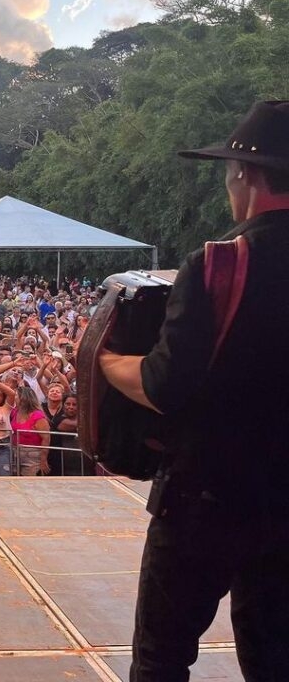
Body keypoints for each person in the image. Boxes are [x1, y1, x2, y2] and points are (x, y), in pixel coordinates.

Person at [100, 101, 289, 681]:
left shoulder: (220, 265)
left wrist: (105, 361)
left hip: (206, 498)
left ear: (247, 177)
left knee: (162, 657)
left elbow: (163, 384)